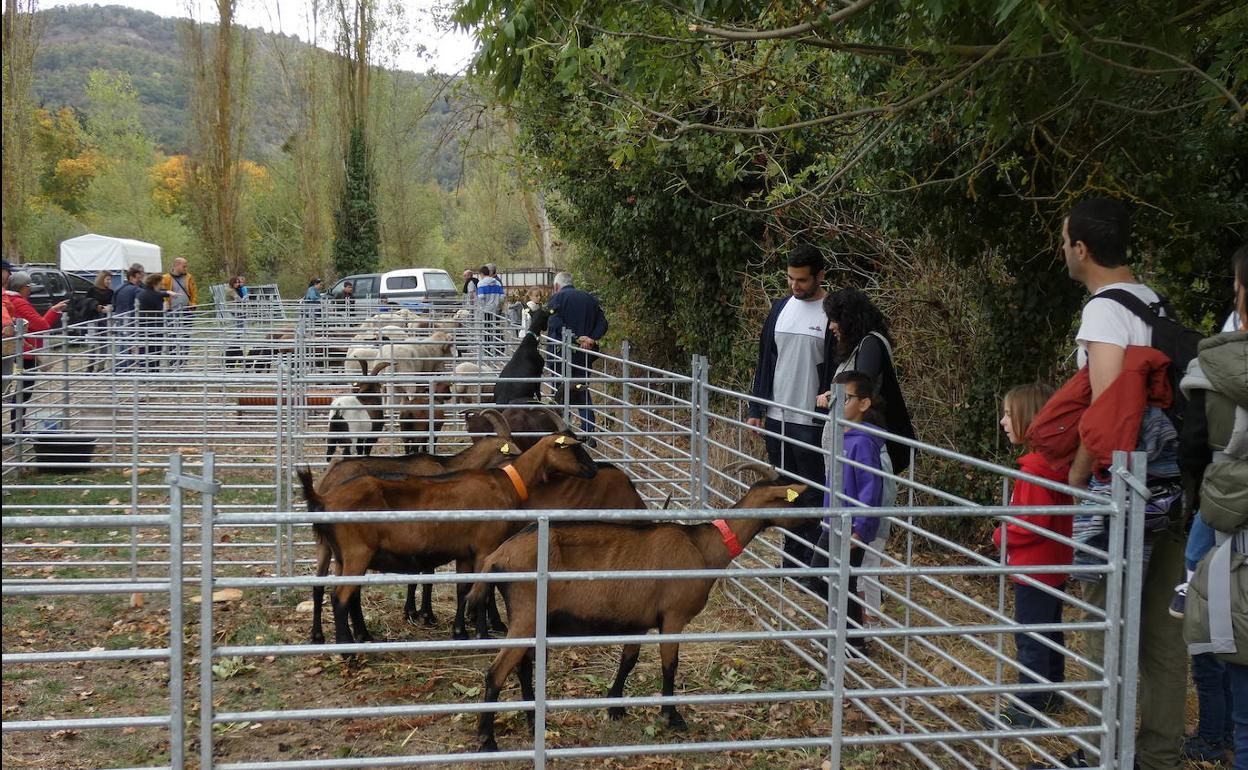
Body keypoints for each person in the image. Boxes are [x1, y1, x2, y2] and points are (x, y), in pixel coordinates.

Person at [1056, 197, 1186, 770]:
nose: (1063, 251)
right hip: (1172, 484)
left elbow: (1110, 410)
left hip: (1125, 492)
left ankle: (1098, 752)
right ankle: (1158, 756)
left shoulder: (1104, 312)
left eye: (1064, 242)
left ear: (1082, 250)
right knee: (1162, 635)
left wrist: (1077, 479)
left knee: (1103, 624)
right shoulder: (1155, 301)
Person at [1176, 243, 1248, 766]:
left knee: (1209, 626)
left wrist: (1213, 498)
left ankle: (1215, 735)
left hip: (1226, 532)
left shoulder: (1216, 369)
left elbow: (1194, 451)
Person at [983, 383, 1073, 730]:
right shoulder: (1054, 462)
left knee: (1031, 633)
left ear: (1030, 419)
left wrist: (1000, 534)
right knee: (1049, 628)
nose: (1003, 421)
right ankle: (1052, 691)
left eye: (1008, 414)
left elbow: (1032, 520)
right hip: (1054, 562)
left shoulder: (1034, 468)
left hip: (1034, 564)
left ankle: (1029, 704)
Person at [747, 244, 834, 569]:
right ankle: (792, 560)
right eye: (790, 279)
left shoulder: (831, 313)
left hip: (811, 423)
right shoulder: (781, 308)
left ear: (819, 276)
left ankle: (813, 562)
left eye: (801, 280)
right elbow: (765, 360)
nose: (794, 286)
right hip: (777, 419)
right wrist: (757, 409)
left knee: (810, 491)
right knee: (787, 489)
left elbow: (836, 369)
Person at [811, 370, 888, 657]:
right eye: (835, 397)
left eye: (845, 398)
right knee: (829, 578)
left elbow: (871, 490)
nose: (837, 403)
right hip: (833, 522)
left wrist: (860, 529)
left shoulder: (863, 442)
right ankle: (845, 637)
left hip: (850, 528)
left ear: (864, 404)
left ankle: (850, 641)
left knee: (832, 579)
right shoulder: (844, 435)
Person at [816, 287, 915, 474]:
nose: (831, 326)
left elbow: (861, 388)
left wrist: (834, 397)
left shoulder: (870, 345)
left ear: (849, 320)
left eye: (835, 320)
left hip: (861, 453)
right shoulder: (858, 346)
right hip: (850, 451)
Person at [4, 271, 69, 434]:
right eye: (28, 287)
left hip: (17, 351)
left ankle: (18, 427)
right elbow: (42, 325)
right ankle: (17, 428)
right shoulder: (19, 303)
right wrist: (54, 310)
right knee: (24, 390)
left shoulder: (10, 301)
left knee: (20, 389)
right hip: (25, 353)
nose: (30, 290)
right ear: (22, 287)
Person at [548, 272, 609, 437]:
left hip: (561, 354)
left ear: (556, 286)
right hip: (584, 354)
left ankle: (562, 429)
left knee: (560, 390)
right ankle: (588, 431)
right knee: (581, 389)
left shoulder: (557, 299)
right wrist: (591, 338)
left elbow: (554, 323)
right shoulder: (589, 299)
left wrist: (574, 337)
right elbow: (603, 322)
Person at [112, 264, 145, 371]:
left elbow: (113, 302)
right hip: (128, 318)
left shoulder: (119, 287)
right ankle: (122, 366)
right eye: (139, 276)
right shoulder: (135, 289)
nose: (141, 278)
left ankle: (122, 365)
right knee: (127, 343)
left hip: (119, 316)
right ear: (133, 276)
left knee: (122, 342)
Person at [138, 273, 170, 372]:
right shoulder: (153, 295)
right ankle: (151, 371)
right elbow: (159, 306)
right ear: (155, 284)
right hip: (154, 326)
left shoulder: (143, 293)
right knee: (154, 350)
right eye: (160, 284)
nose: (162, 286)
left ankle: (148, 371)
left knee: (147, 350)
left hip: (145, 326)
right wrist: (164, 308)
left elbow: (161, 293)